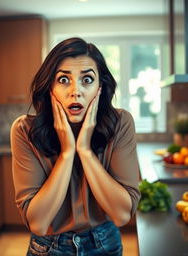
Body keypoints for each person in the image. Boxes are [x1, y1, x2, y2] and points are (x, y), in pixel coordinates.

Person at [10, 37, 141, 256]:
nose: (75, 91)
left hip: (105, 243)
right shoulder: (24, 130)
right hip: (47, 246)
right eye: (63, 79)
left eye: (87, 79)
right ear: (49, 86)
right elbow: (39, 224)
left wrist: (85, 151)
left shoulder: (120, 123)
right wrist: (67, 152)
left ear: (101, 86)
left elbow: (121, 215)